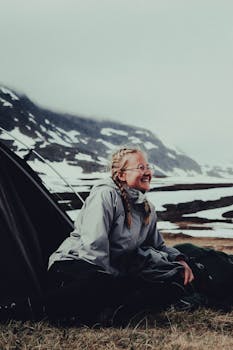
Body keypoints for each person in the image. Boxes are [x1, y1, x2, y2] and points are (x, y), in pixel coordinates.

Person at [44, 147, 195, 324]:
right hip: (76, 265)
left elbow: (157, 246)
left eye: (148, 167)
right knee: (102, 284)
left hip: (112, 273)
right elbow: (94, 249)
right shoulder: (105, 195)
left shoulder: (147, 208)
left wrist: (179, 260)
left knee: (174, 279)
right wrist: (118, 280)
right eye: (140, 167)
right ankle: (35, 308)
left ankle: (108, 311)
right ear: (122, 175)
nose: (147, 172)